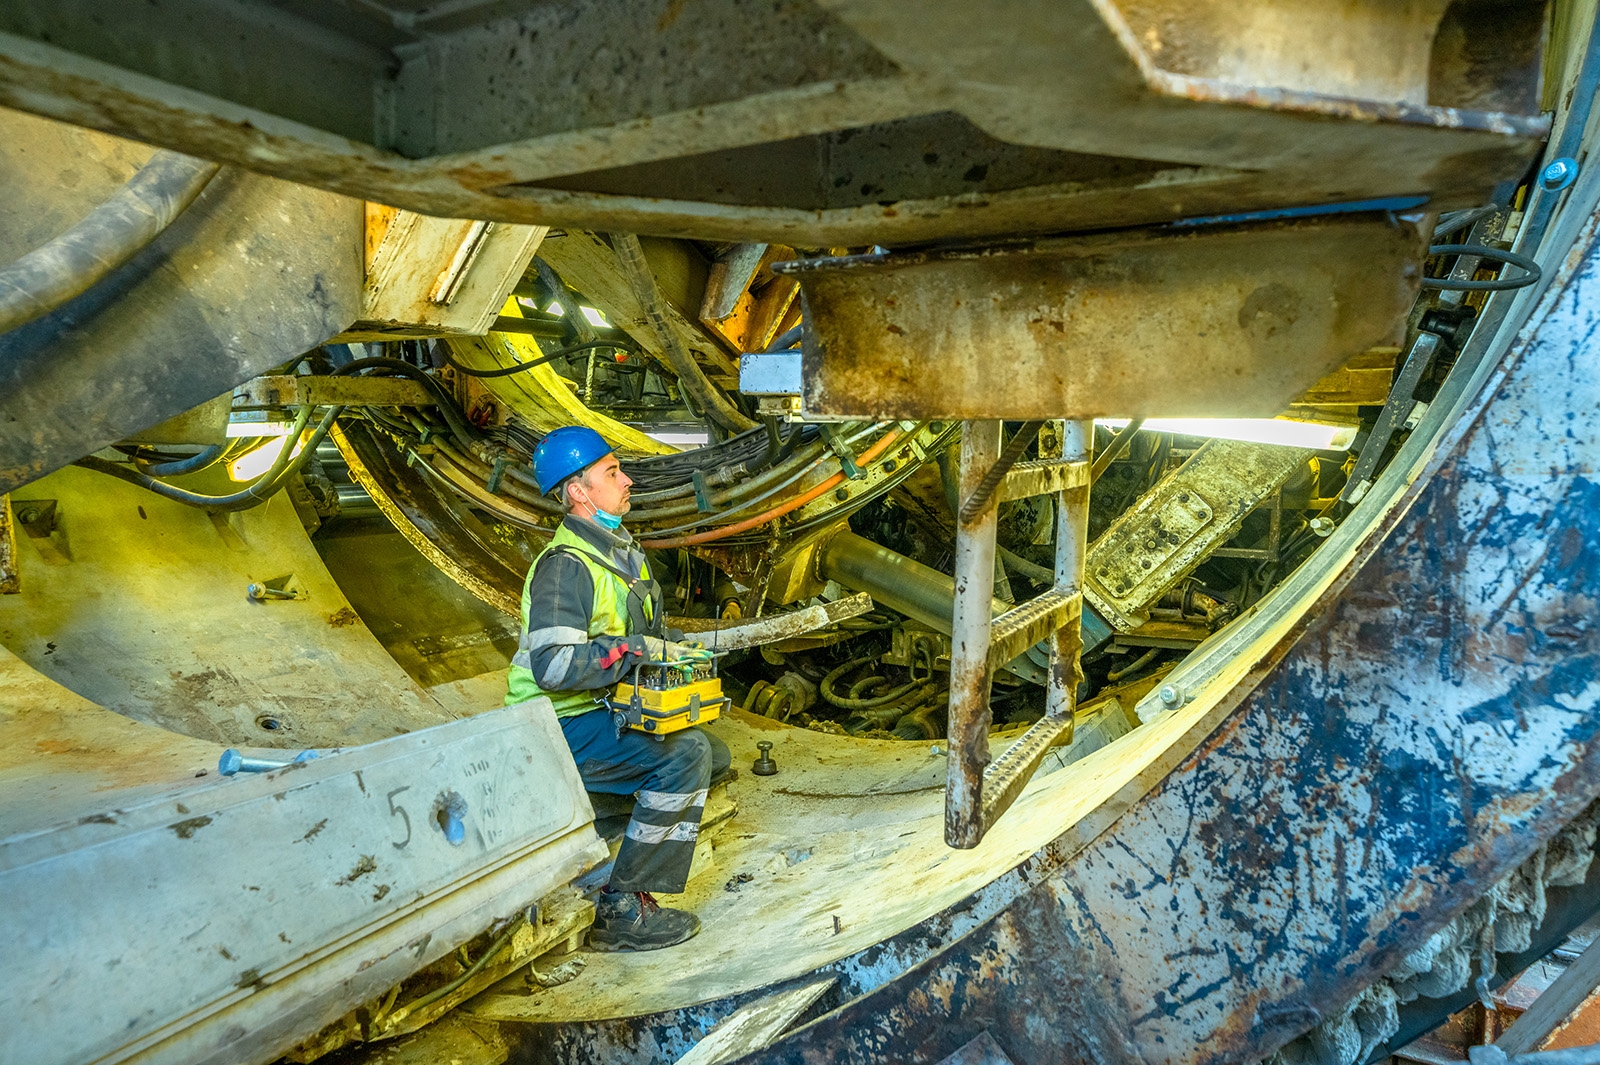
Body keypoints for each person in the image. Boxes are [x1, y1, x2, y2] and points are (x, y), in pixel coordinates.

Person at [507, 425, 729, 951]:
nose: (627, 480)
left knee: (714, 754)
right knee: (687, 757)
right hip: (551, 726)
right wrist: (638, 650)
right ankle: (621, 909)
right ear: (579, 492)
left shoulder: (619, 552)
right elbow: (554, 666)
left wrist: (674, 649)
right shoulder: (565, 567)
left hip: (595, 709)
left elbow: (639, 633)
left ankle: (604, 815)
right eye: (612, 473)